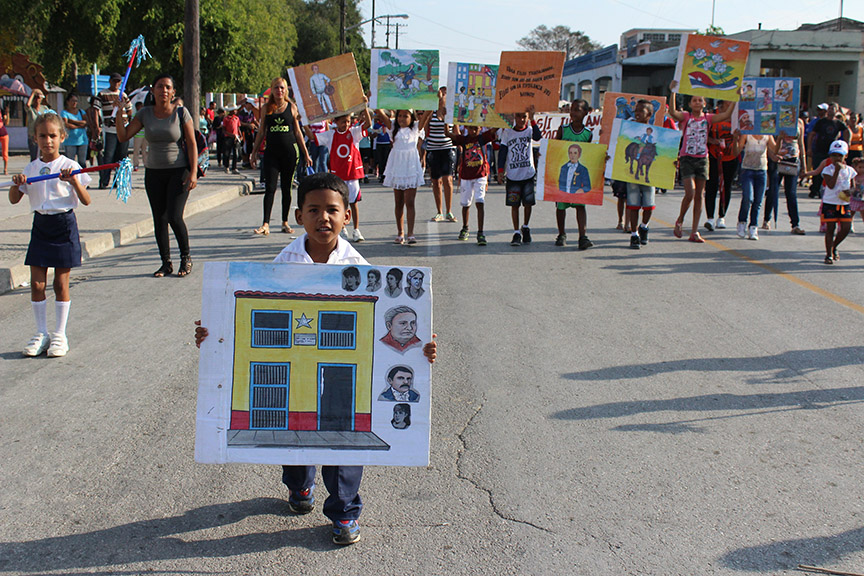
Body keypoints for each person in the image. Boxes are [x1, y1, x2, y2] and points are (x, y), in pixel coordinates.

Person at [195, 173, 437, 546]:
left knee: (343, 448)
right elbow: (241, 311)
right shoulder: (282, 263)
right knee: (292, 447)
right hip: (299, 367)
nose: (323, 218)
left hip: (341, 370)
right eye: (314, 210)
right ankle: (299, 487)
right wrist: (212, 334)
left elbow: (387, 325)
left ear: (347, 216)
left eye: (332, 210)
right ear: (298, 215)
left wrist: (421, 349)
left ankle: (344, 512)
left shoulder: (363, 269)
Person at [8, 113, 92, 357]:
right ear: (35, 138)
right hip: (41, 225)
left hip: (63, 224)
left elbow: (86, 200)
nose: (48, 141)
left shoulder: (70, 165)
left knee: (60, 283)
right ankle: (41, 333)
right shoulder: (31, 168)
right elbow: (14, 199)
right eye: (42, 136)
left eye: (53, 135)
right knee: (37, 284)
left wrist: (74, 182)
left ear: (62, 137)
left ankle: (59, 335)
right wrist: (16, 183)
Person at [116, 73, 198, 278]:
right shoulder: (145, 114)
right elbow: (124, 135)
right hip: (153, 172)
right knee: (159, 219)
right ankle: (165, 263)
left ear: (173, 92)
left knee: (174, 216)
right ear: (153, 90)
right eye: (160, 87)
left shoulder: (181, 113)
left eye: (168, 87)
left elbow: (192, 143)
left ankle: (186, 258)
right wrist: (119, 113)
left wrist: (194, 172)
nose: (164, 91)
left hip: (179, 170)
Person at [667, 81, 737, 243]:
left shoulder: (708, 118)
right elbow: (672, 112)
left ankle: (694, 231)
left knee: (699, 195)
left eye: (700, 100)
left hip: (702, 159)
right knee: (690, 192)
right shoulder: (686, 117)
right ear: (690, 104)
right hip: (687, 158)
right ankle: (680, 219)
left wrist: (735, 98)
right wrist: (673, 92)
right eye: (694, 100)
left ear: (704, 104)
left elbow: (726, 115)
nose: (697, 103)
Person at [250, 77, 312, 237]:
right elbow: (261, 131)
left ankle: (285, 221)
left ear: (286, 90)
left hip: (289, 153)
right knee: (270, 188)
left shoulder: (291, 107)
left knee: (286, 188)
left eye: (282, 88)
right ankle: (265, 223)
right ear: (272, 89)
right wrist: (254, 152)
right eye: (277, 88)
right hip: (271, 153)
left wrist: (305, 153)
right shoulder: (266, 108)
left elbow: (298, 132)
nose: (279, 91)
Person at [307, 103, 372, 242]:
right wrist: (303, 123)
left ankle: (356, 230)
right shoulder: (331, 135)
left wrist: (364, 106)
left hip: (352, 174)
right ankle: (342, 229)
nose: (346, 124)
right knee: (340, 204)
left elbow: (368, 124)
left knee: (353, 203)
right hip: (338, 175)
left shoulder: (354, 133)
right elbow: (313, 137)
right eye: (343, 122)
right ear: (335, 122)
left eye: (348, 121)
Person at [376, 108, 426, 245]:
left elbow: (427, 113)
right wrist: (371, 98)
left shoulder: (416, 127)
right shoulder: (393, 127)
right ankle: (400, 232)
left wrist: (436, 100)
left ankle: (411, 233)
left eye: (406, 116)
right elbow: (379, 112)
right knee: (398, 202)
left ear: (411, 117)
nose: (402, 118)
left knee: (409, 201)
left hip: (410, 165)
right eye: (400, 116)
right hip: (397, 164)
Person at [444, 122, 497, 245]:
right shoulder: (464, 139)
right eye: (470, 128)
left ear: (480, 128)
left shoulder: (482, 138)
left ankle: (480, 232)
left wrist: (502, 119)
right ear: (466, 128)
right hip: (466, 176)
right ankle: (465, 227)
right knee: (466, 204)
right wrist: (446, 121)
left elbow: (494, 129)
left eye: (476, 128)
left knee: (480, 202)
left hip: (480, 175)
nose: (473, 131)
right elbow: (448, 134)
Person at [497, 106, 542, 246]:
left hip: (527, 173)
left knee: (528, 203)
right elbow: (503, 152)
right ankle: (516, 232)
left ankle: (526, 226)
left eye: (524, 117)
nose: (521, 120)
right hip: (513, 175)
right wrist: (500, 171)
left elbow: (537, 136)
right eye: (518, 116)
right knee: (514, 204)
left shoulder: (529, 131)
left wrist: (533, 120)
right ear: (514, 117)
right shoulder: (507, 133)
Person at [553, 99, 594, 249]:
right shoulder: (563, 130)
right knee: (561, 206)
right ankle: (561, 234)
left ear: (585, 113)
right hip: (564, 175)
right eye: (572, 109)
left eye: (577, 109)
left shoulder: (588, 134)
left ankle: (582, 236)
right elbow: (555, 149)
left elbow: (590, 156)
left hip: (579, 177)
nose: (573, 112)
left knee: (580, 206)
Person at [764, 116, 807, 235]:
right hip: (778, 159)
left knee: (791, 192)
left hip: (793, 160)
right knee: (773, 190)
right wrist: (772, 155)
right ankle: (767, 219)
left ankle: (795, 224)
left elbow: (801, 143)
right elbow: (770, 140)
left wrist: (804, 165)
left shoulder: (799, 122)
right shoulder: (776, 120)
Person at [624, 100, 658, 249]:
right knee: (633, 204)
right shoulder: (630, 128)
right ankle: (634, 234)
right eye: (635, 110)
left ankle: (644, 226)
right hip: (631, 177)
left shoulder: (656, 131)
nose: (636, 114)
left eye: (640, 111)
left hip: (650, 176)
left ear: (649, 114)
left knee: (649, 204)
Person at [732, 132, 776, 241]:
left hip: (761, 171)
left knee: (758, 201)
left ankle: (753, 227)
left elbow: (775, 150)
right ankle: (742, 222)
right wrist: (735, 139)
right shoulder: (747, 134)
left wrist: (779, 139)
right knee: (748, 197)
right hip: (747, 170)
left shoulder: (767, 135)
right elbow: (736, 152)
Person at [820, 140, 855, 264]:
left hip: (844, 203)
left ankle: (834, 246)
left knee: (846, 228)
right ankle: (828, 254)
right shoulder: (827, 170)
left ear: (845, 155)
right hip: (830, 202)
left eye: (839, 155)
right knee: (831, 228)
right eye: (834, 155)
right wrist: (836, 171)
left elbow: (853, 186)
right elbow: (830, 185)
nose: (837, 158)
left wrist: (850, 191)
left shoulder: (850, 170)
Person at [704, 100, 736, 231]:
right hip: (714, 155)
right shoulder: (712, 116)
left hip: (731, 155)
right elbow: (703, 134)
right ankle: (710, 218)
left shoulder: (737, 116)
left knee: (726, 186)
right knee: (711, 186)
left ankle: (721, 216)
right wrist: (713, 141)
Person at [426, 89, 457, 223]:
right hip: (433, 149)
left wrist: (447, 120)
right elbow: (426, 130)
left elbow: (456, 132)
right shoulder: (430, 113)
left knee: (447, 180)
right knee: (436, 181)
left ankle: (449, 211)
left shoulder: (451, 114)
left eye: (444, 95)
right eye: (440, 95)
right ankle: (439, 211)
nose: (442, 97)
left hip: (447, 149)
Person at [807, 102, 850, 198]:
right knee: (817, 171)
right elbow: (812, 134)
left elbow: (847, 131)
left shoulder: (838, 123)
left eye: (833, 108)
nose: (831, 110)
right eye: (830, 108)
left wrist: (846, 144)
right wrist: (809, 148)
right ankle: (815, 190)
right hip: (819, 150)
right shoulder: (821, 122)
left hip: (833, 152)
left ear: (837, 110)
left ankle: (827, 190)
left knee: (831, 171)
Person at [97, 73, 133, 189]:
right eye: (114, 81)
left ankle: (119, 181)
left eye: (119, 82)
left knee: (122, 157)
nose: (116, 84)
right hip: (110, 130)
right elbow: (95, 109)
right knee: (108, 156)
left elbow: (130, 110)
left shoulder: (123, 95)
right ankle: (104, 180)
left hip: (123, 129)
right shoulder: (103, 94)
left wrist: (126, 120)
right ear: (110, 81)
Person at [26, 89, 51, 161]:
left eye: (38, 97)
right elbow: (27, 105)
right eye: (35, 97)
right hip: (33, 135)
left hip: (43, 134)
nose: (37, 99)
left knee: (44, 155)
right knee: (34, 156)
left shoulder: (44, 108)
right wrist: (33, 93)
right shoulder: (31, 109)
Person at [222, 107, 241, 173]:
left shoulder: (236, 118)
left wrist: (240, 135)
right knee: (227, 152)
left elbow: (238, 128)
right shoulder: (226, 119)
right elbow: (224, 130)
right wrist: (230, 134)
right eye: (234, 110)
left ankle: (234, 168)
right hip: (228, 137)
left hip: (236, 137)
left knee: (236, 153)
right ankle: (226, 166)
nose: (235, 111)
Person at [84, 96, 102, 167]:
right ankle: (92, 163)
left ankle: (96, 163)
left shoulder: (98, 110)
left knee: (96, 148)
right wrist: (94, 131)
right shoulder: (90, 110)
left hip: (96, 130)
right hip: (92, 131)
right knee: (93, 147)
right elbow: (91, 122)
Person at [0, 99, 9, 175]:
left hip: (3, 134)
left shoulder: (1, 111)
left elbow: (6, 122)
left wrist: (7, 113)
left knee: (5, 153)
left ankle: (5, 169)